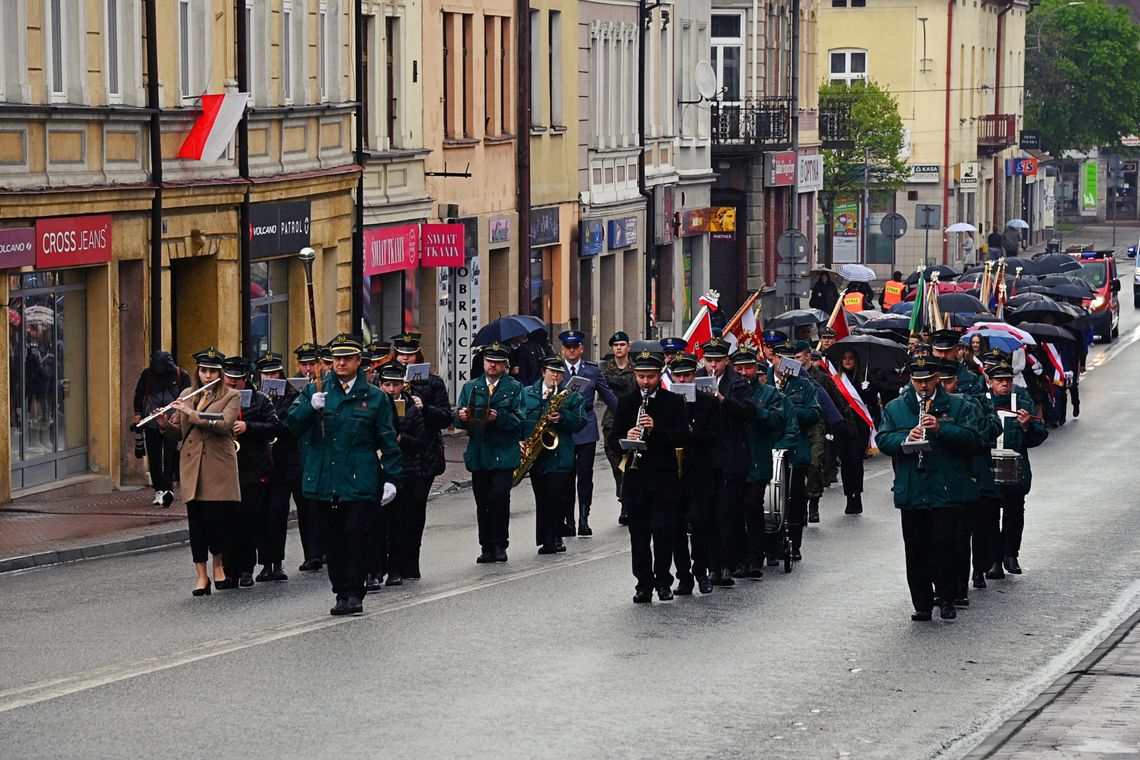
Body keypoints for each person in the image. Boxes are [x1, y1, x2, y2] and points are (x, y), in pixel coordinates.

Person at [284, 334, 403, 617]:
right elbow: (290, 426)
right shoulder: (316, 391)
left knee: (357, 535)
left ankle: (354, 592)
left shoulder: (375, 398)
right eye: (335, 358)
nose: (340, 363)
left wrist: (392, 478)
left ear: (358, 362)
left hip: (360, 478)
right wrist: (308, 408)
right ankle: (340, 590)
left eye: (347, 358)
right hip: (325, 478)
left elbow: (387, 440)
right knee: (332, 539)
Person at [877, 357, 981, 621]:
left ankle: (947, 598)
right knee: (916, 548)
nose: (923, 386)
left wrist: (942, 428)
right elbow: (883, 439)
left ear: (937, 379)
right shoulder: (896, 407)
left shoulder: (958, 405)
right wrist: (904, 438)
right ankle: (922, 604)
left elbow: (974, 438)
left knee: (944, 545)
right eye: (917, 381)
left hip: (945, 487)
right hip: (912, 487)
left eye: (927, 380)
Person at [156, 348, 241, 597]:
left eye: (212, 371)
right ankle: (201, 576)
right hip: (193, 467)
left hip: (217, 467)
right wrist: (164, 425)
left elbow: (223, 424)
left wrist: (190, 413)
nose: (207, 375)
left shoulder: (231, 395)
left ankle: (218, 567)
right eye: (204, 371)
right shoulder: (187, 394)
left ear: (220, 372)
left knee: (217, 522)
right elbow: (180, 432)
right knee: (197, 524)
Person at [606, 349, 688, 603]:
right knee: (639, 535)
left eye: (650, 377)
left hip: (663, 478)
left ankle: (663, 581)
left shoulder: (673, 402)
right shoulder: (627, 403)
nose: (645, 382)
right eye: (641, 377)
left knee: (663, 532)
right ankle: (643, 583)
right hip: (636, 477)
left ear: (658, 376)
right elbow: (612, 439)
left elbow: (682, 436)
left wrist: (656, 429)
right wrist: (626, 438)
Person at [455, 341, 527, 563]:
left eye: (497, 363)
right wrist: (461, 418)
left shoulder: (514, 388)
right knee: (482, 500)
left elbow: (521, 420)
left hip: (503, 452)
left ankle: (499, 544)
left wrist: (500, 417)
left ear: (505, 365)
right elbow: (458, 416)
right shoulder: (471, 387)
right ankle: (485, 545)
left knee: (499, 498)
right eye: (489, 362)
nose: (492, 366)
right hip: (480, 452)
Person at [390, 332, 452, 578]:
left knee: (415, 510)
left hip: (424, 456)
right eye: (402, 355)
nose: (405, 359)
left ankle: (410, 563)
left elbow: (446, 418)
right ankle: (390, 564)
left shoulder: (433, 383)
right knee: (393, 512)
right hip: (395, 457)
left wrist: (425, 408)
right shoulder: (386, 381)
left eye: (410, 354)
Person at [983, 354, 1047, 579]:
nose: (1004, 384)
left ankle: (1011, 553)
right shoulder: (982, 400)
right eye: (999, 380)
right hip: (989, 468)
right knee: (990, 516)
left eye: (1008, 380)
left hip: (1015, 469)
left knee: (1014, 513)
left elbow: (1039, 435)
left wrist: (1028, 426)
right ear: (989, 381)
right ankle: (994, 560)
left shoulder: (1022, 398)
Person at [218, 356, 280, 589]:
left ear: (246, 379)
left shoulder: (260, 401)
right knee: (227, 521)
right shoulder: (216, 399)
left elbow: (275, 427)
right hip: (224, 468)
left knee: (248, 521)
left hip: (252, 470)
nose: (233, 384)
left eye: (237, 380)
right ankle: (228, 569)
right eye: (229, 380)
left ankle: (245, 569)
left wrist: (248, 427)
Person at [698, 337, 755, 586]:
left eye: (717, 361)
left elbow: (748, 412)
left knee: (728, 513)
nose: (712, 366)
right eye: (709, 360)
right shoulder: (697, 378)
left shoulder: (738, 382)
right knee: (707, 514)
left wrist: (724, 400)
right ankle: (713, 566)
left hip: (731, 454)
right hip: (706, 456)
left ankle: (728, 564)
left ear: (725, 361)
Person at [521, 356, 587, 554]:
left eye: (559, 373)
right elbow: (520, 419)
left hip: (560, 454)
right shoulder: (527, 393)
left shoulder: (570, 396)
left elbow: (580, 421)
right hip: (537, 455)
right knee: (542, 497)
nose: (556, 376)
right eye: (552, 372)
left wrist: (563, 417)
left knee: (556, 496)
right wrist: (521, 440)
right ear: (543, 372)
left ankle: (555, 537)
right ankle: (545, 539)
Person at [668, 353, 721, 594]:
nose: (683, 380)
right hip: (672, 475)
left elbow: (715, 438)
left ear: (694, 376)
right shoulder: (664, 403)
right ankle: (684, 577)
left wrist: (693, 431)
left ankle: (702, 571)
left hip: (699, 473)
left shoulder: (707, 402)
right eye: (678, 376)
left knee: (699, 524)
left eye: (687, 375)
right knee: (676, 527)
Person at [374, 361, 429, 587]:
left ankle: (396, 568)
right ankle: (376, 569)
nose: (391, 389)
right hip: (381, 472)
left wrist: (401, 439)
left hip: (407, 473)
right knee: (379, 526)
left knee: (401, 524)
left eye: (395, 385)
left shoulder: (411, 409)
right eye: (387, 384)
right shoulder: (375, 405)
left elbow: (420, 441)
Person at [559, 330, 617, 537]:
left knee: (585, 475)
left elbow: (608, 396)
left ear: (582, 349)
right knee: (566, 476)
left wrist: (625, 416)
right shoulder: (556, 369)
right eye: (568, 347)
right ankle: (568, 520)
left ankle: (584, 518)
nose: (572, 350)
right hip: (564, 428)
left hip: (586, 426)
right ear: (563, 349)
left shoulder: (591, 370)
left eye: (575, 347)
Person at [735, 347, 786, 578]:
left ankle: (756, 557)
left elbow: (775, 422)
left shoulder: (769, 393)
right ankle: (737, 557)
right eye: (739, 368)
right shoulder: (727, 390)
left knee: (753, 508)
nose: (744, 372)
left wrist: (753, 407)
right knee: (733, 511)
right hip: (734, 462)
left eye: (748, 367)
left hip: (758, 461)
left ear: (757, 369)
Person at [770, 340, 821, 561]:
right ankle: (771, 544)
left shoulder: (804, 385)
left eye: (789, 360)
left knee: (794, 498)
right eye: (780, 358)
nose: (784, 364)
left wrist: (789, 410)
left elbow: (813, 414)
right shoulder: (765, 381)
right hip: (769, 449)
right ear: (773, 359)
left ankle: (794, 543)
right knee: (770, 499)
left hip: (795, 450)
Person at [253, 351, 298, 583]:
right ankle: (264, 564)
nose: (270, 376)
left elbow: (290, 425)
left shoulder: (291, 397)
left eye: (274, 372)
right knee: (261, 515)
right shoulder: (254, 397)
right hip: (260, 465)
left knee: (277, 514)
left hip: (282, 464)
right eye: (266, 372)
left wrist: (271, 422)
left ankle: (277, 563)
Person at [132, 350, 192, 507]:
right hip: (151, 421)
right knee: (154, 456)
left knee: (170, 455)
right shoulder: (147, 375)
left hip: (172, 421)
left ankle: (168, 488)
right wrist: (138, 413)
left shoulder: (181, 375)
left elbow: (187, 398)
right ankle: (158, 489)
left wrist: (179, 414)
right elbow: (139, 394)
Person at [292, 341, 325, 572]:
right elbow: (291, 420)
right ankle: (311, 554)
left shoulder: (326, 385)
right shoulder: (292, 386)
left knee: (325, 508)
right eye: (304, 364)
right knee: (305, 509)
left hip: (323, 456)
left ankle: (327, 550)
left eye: (312, 364)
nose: (308, 369)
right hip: (300, 457)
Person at [835, 348, 880, 515]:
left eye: (851, 358)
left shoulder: (865, 379)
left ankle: (857, 496)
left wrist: (868, 390)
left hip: (859, 427)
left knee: (856, 460)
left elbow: (873, 405)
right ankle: (849, 496)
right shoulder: (837, 380)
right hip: (843, 426)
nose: (847, 361)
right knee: (846, 462)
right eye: (844, 358)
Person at [600, 331, 637, 525]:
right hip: (611, 422)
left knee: (631, 463)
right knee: (617, 465)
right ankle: (624, 498)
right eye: (616, 345)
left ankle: (627, 504)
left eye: (622, 344)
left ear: (628, 347)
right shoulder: (604, 369)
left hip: (632, 421)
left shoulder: (636, 368)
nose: (619, 348)